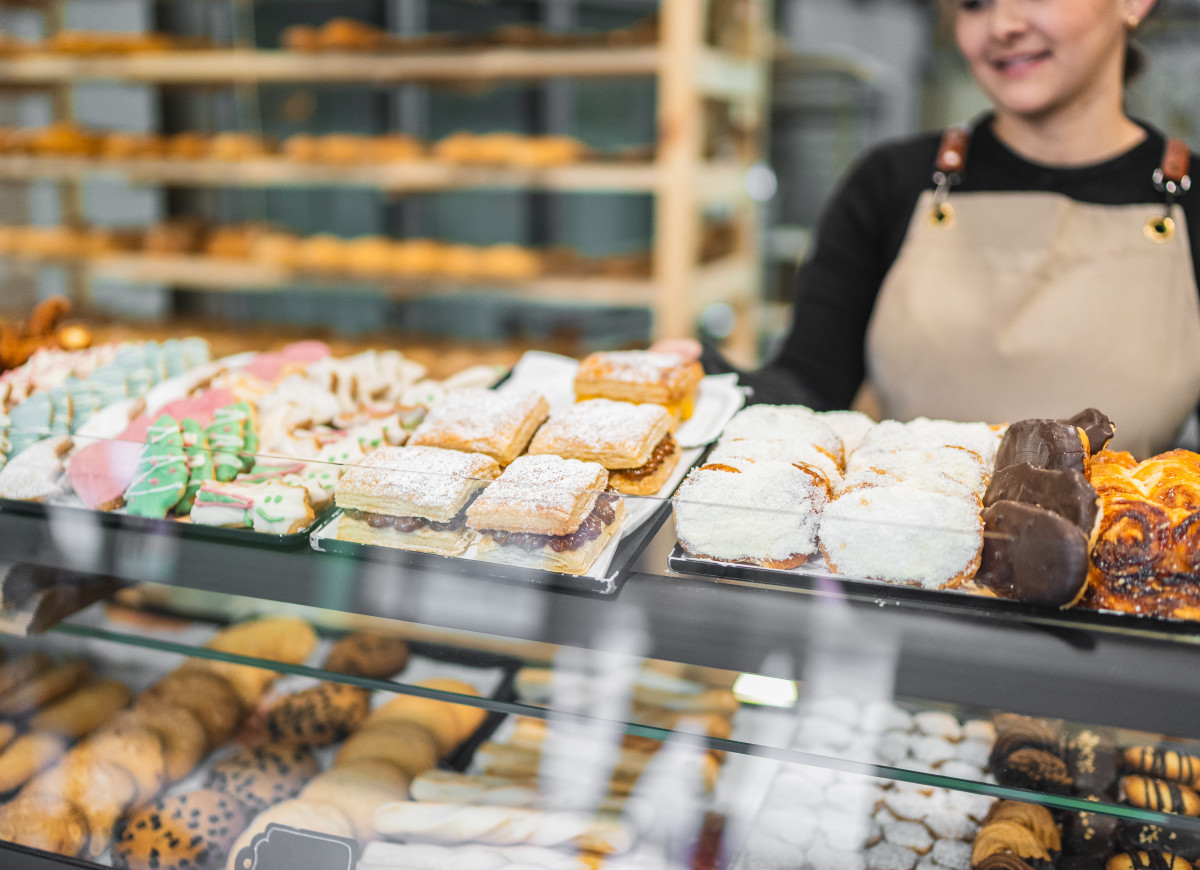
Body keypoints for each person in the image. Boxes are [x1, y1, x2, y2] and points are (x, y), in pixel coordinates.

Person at [660, 0, 1198, 457]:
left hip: (1130, 565)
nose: (1002, 25)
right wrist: (711, 381)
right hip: (902, 564)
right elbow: (810, 386)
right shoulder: (890, 182)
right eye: (972, 2)